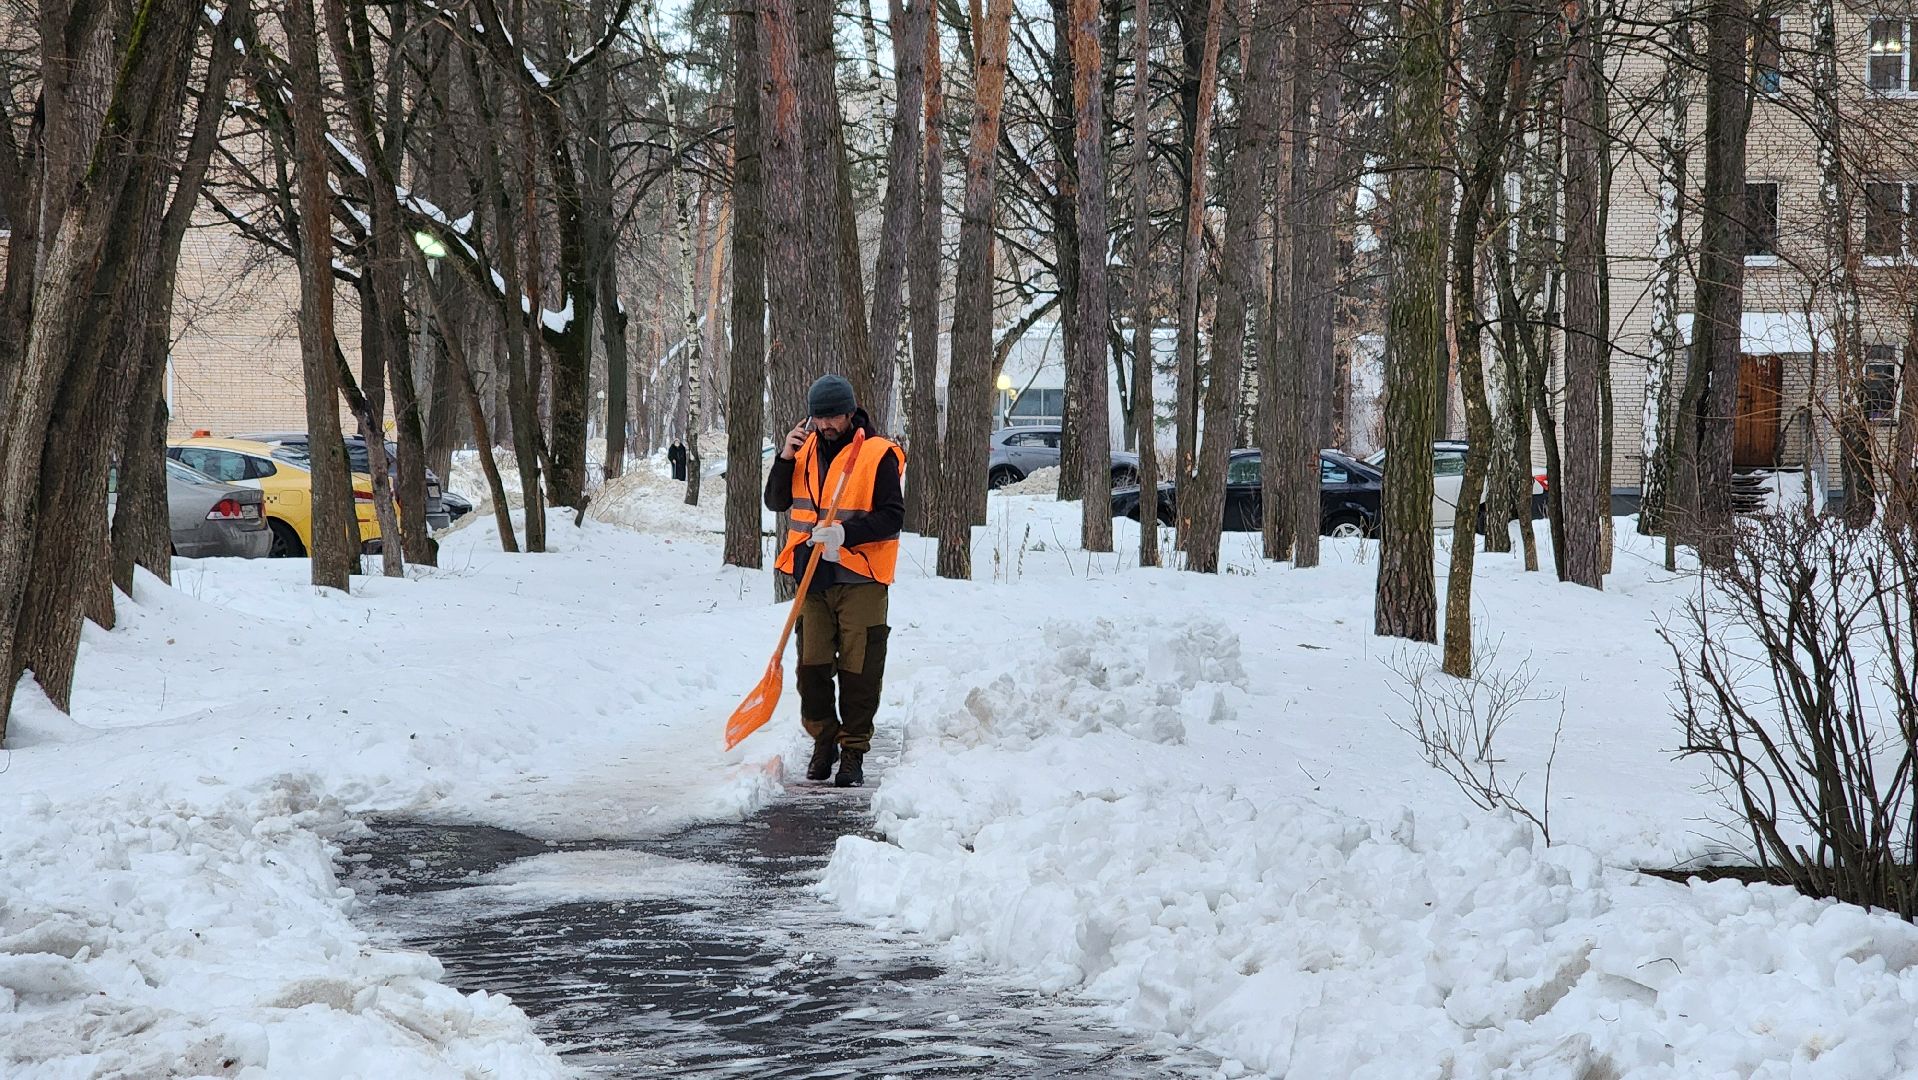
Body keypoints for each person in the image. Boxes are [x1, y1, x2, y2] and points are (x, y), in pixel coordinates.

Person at [763, 374, 905, 787]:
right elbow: (776, 501)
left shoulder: (877, 454)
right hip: (812, 575)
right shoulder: (803, 449)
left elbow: (893, 515)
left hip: (861, 574)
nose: (826, 425)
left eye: (834, 417)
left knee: (860, 671)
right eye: (819, 417)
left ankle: (854, 752)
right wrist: (784, 458)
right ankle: (824, 741)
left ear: (850, 412)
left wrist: (846, 534)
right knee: (812, 669)